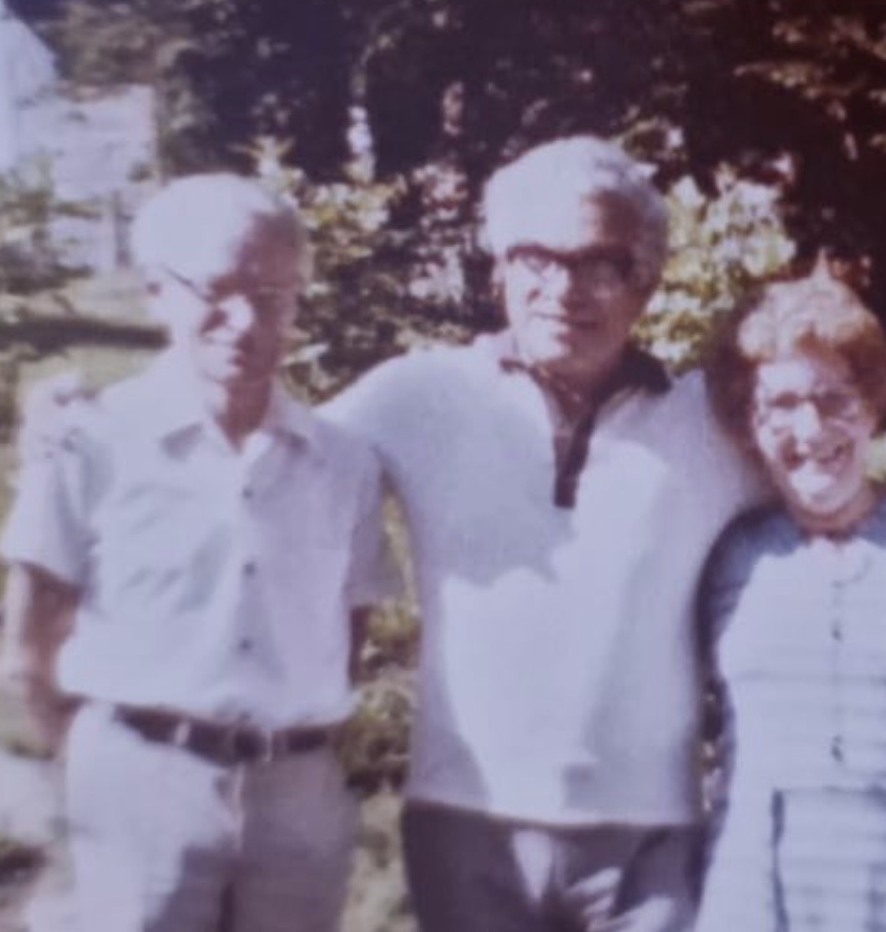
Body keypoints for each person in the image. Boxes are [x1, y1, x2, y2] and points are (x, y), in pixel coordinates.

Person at [321, 136, 769, 932]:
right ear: (499, 270)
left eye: (603, 262)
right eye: (537, 258)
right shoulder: (420, 396)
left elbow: (857, 493)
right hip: (467, 821)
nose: (565, 289)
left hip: (650, 838)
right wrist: (86, 439)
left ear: (649, 281)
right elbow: (270, 461)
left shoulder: (707, 423)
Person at [0, 174, 395, 932]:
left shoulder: (342, 463)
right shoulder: (90, 441)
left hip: (297, 797)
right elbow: (27, 649)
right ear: (155, 293)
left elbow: (352, 633)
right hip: (142, 782)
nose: (244, 321)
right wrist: (98, 771)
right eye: (218, 290)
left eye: (274, 297)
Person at [693, 272, 886, 932]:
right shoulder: (722, 559)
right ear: (749, 420)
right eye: (781, 404)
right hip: (753, 899)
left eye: (835, 398)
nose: (812, 426)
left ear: (874, 405)